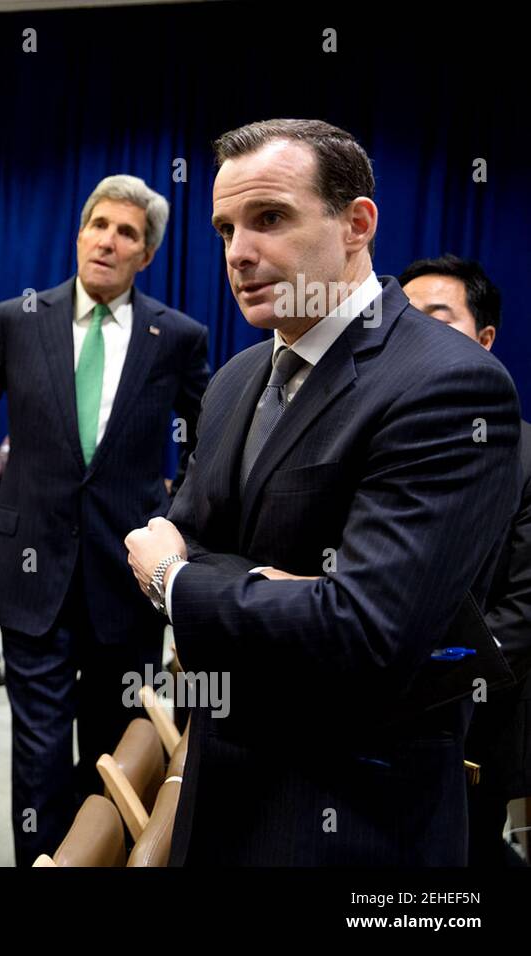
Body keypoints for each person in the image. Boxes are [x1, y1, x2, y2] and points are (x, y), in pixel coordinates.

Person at [125, 119, 521, 865]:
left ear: (356, 223)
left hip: (355, 813)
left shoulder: (449, 382)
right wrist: (268, 588)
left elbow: (366, 633)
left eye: (270, 218)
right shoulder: (240, 375)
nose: (239, 252)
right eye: (225, 227)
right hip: (217, 782)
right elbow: (191, 531)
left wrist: (175, 585)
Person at [0, 175, 210, 865]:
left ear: (146, 254)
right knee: (37, 750)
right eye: (99, 223)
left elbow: (209, 439)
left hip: (127, 580)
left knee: (107, 748)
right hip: (30, 573)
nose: (108, 240)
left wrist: (178, 523)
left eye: (127, 233)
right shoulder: (18, 318)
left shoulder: (176, 337)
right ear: (80, 232)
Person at [401, 254, 531, 866]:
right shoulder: (368, 439)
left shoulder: (526, 455)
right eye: (401, 318)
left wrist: (422, 667)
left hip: (476, 724)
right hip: (357, 730)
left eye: (437, 317)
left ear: (485, 339)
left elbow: (523, 611)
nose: (414, 332)